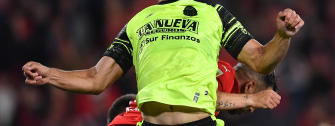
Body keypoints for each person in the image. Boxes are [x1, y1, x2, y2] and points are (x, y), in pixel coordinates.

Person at [22, 0, 304, 126]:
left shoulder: (214, 14)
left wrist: (282, 36)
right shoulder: (136, 22)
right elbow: (96, 79)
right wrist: (50, 74)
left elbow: (261, 60)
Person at [107, 60, 280, 126]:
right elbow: (202, 99)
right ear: (249, 87)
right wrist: (251, 100)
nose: (251, 109)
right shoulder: (225, 75)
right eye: (257, 103)